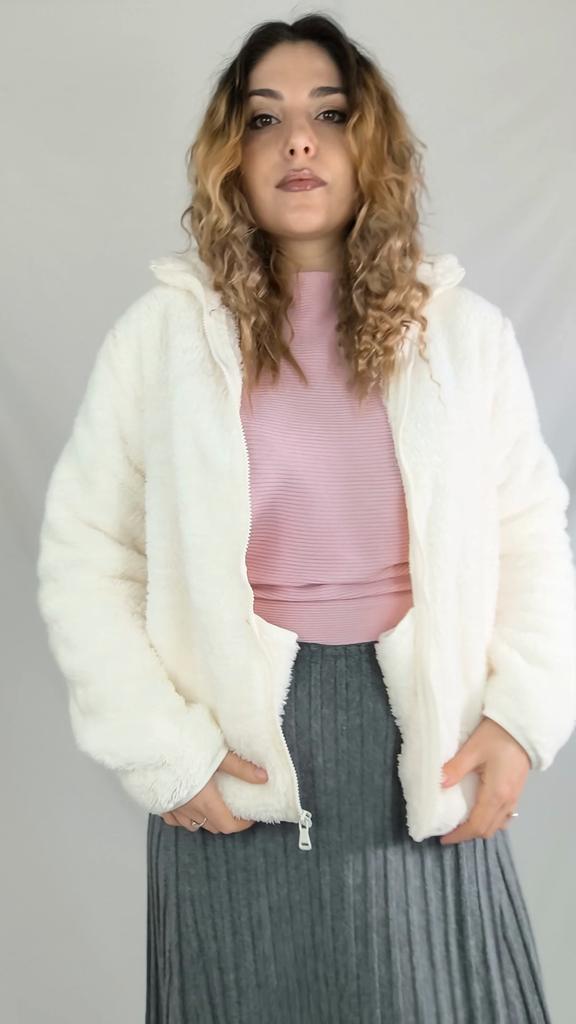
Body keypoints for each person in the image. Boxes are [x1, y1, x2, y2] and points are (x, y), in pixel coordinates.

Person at [36, 13, 576, 1024]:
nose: (298, 141)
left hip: (422, 748)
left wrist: (520, 717)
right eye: (264, 118)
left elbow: (530, 537)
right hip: (238, 758)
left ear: (371, 145)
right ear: (230, 157)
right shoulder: (161, 340)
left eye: (329, 115)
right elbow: (87, 552)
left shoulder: (463, 336)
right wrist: (163, 749)